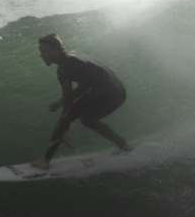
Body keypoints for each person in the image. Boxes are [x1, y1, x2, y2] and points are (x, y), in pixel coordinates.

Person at [32, 33, 131, 170]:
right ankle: (124, 146)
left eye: (44, 51)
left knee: (65, 119)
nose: (41, 55)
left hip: (107, 92)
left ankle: (45, 160)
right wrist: (60, 103)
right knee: (87, 120)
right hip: (119, 92)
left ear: (55, 50)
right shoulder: (73, 56)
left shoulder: (65, 69)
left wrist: (64, 127)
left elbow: (69, 101)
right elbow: (83, 87)